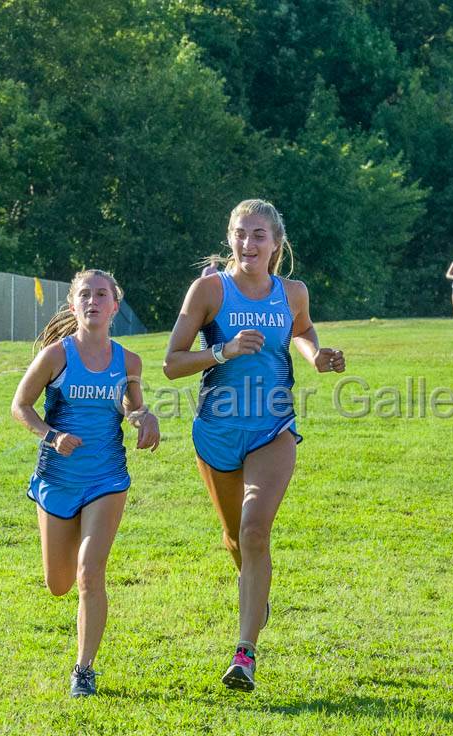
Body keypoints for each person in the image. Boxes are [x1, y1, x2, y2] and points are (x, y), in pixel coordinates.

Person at [163, 199, 345, 692]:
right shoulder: (209, 291)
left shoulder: (293, 292)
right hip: (216, 433)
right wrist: (221, 350)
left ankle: (244, 655)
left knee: (254, 531)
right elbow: (172, 362)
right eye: (241, 234)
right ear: (230, 239)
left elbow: (302, 330)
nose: (249, 244)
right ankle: (254, 590)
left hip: (273, 429)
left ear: (276, 244)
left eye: (259, 235)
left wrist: (316, 355)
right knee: (235, 540)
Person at [11, 269, 161, 698]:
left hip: (106, 478)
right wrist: (51, 435)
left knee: (89, 573)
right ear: (73, 305)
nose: (93, 301)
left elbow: (133, 408)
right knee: (59, 584)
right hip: (57, 478)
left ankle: (84, 670)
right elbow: (20, 405)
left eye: (102, 295)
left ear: (115, 306)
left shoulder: (128, 360)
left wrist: (144, 419)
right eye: (84, 295)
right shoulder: (57, 356)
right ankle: (68, 540)